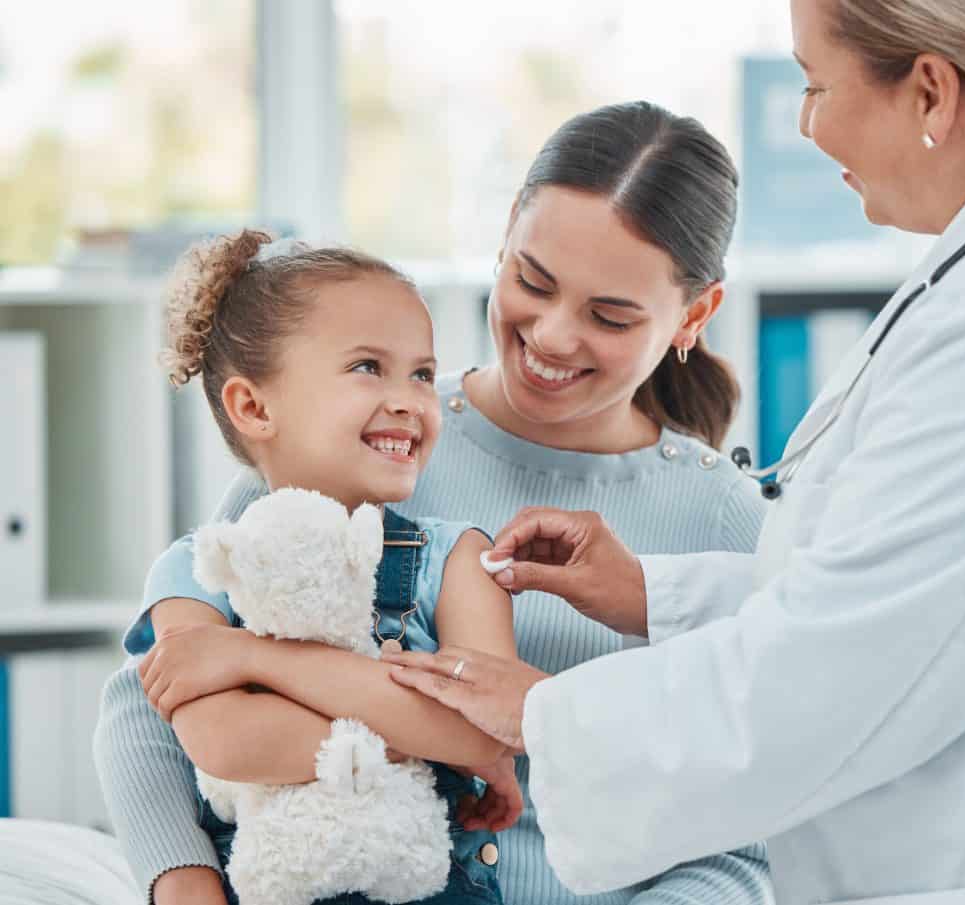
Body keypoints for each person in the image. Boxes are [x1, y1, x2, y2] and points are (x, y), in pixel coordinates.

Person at [382, 3, 965, 904]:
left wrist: (541, 713)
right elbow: (895, 587)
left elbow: (842, 669)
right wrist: (650, 594)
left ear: (931, 91)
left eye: (815, 85)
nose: (804, 122)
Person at [93, 103, 775, 905]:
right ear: (502, 243)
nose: (553, 335)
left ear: (694, 315)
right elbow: (150, 701)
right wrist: (184, 881)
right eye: (533, 281)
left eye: (610, 315)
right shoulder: (356, 445)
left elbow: (742, 834)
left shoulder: (723, 520)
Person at [111, 230, 526, 905]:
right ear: (253, 406)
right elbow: (226, 742)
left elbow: (486, 728)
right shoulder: (194, 572)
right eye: (368, 366)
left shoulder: (460, 560)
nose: (410, 398)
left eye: (421, 372)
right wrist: (424, 736)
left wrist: (252, 658)